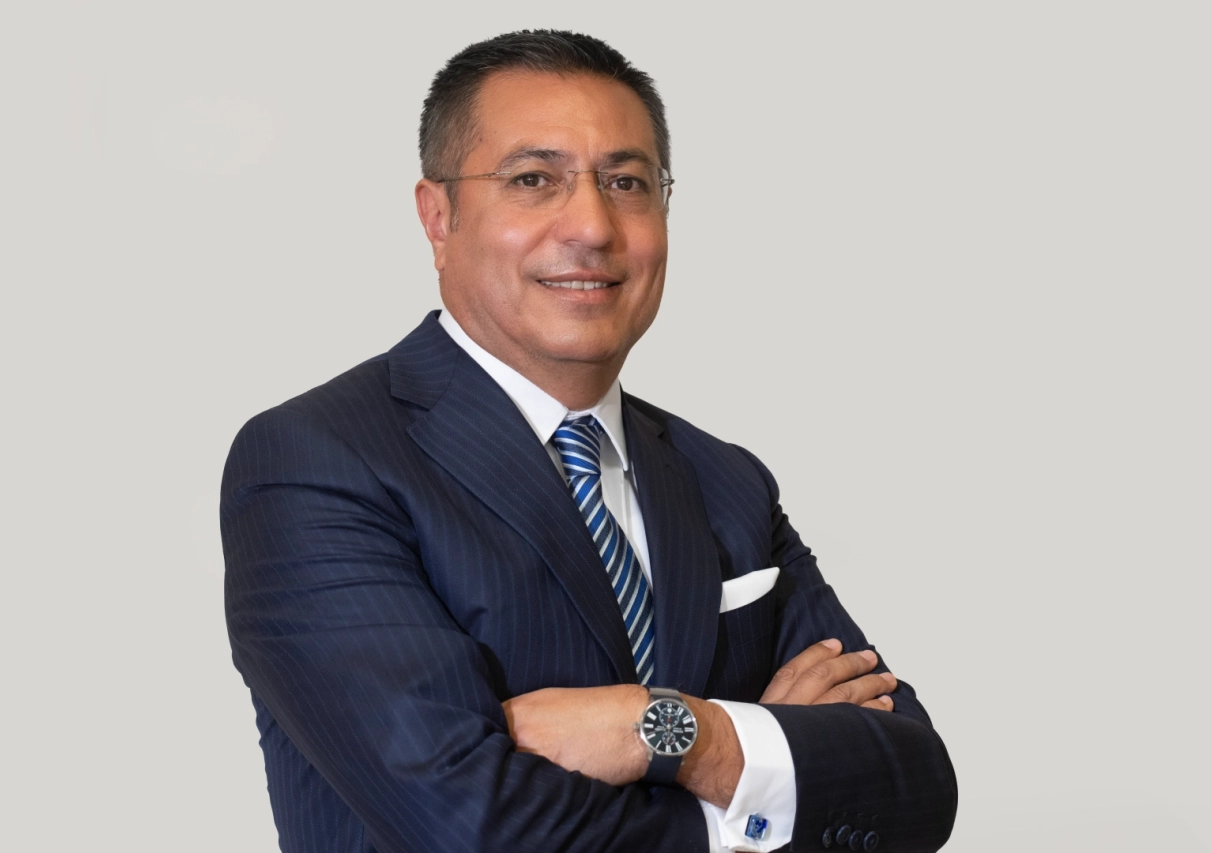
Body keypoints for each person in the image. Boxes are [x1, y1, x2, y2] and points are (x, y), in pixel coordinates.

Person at [221, 30, 957, 853]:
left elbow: (917, 787)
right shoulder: (316, 463)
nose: (593, 225)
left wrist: (674, 730)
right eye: (533, 179)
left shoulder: (725, 481)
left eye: (626, 182)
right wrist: (763, 791)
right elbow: (474, 829)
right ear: (438, 216)